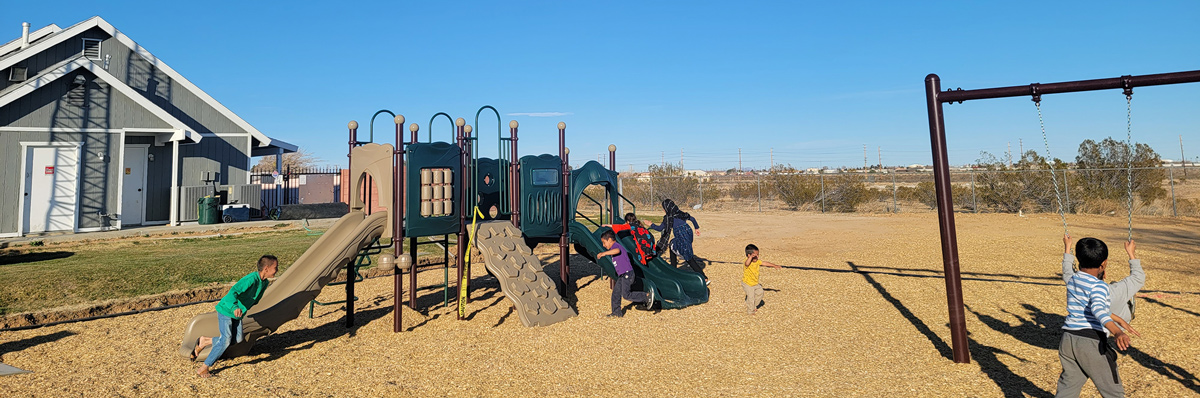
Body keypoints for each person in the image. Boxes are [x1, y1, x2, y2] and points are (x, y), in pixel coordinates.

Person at [1055, 236, 1140, 398]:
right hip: (1091, 343)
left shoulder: (1072, 278)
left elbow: (1067, 268)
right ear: (1104, 264)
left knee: (1068, 386)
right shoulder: (1099, 286)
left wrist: (1067, 247)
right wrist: (1117, 331)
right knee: (1113, 391)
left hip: (1068, 340)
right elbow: (1098, 309)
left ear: (1079, 260)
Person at [193, 255, 278, 378]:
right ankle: (204, 367)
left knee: (237, 339)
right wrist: (235, 307)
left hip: (238, 313)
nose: (277, 270)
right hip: (227, 310)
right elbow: (233, 292)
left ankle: (205, 341)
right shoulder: (251, 279)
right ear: (266, 268)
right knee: (226, 339)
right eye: (275, 267)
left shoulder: (264, 283)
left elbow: (255, 298)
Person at [1060, 234, 1145, 325]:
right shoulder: (1115, 291)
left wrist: (1068, 247)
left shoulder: (1073, 282)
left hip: (1083, 329)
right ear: (1103, 265)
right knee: (1119, 289)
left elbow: (1067, 270)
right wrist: (1131, 253)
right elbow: (1138, 277)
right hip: (1116, 326)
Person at [649, 198, 707, 284]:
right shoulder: (680, 213)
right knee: (672, 245)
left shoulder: (668, 218)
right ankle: (674, 269)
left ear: (666, 209)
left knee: (688, 257)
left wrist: (651, 224)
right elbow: (692, 219)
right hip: (688, 233)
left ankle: (703, 277)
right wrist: (696, 228)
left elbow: (660, 228)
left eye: (663, 208)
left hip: (681, 236)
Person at [597, 230, 654, 317]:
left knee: (626, 295)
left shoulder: (615, 246)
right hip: (623, 275)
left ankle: (646, 296)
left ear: (609, 240)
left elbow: (617, 251)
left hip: (627, 274)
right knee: (616, 294)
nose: (603, 245)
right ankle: (616, 313)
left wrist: (604, 253)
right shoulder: (613, 247)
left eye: (604, 243)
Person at [742, 244, 781, 315]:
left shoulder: (757, 261)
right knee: (751, 297)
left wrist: (774, 265)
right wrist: (751, 257)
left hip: (755, 283)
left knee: (760, 293)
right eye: (755, 255)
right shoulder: (747, 262)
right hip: (747, 283)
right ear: (749, 255)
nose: (757, 256)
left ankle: (753, 305)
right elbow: (747, 264)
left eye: (758, 254)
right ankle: (750, 311)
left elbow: (765, 263)